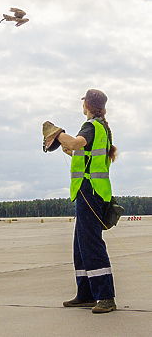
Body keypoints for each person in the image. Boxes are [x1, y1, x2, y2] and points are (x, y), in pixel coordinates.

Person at [45, 89, 118, 313]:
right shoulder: (102, 128)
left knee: (91, 243)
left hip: (90, 191)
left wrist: (57, 134)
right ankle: (86, 294)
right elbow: (82, 152)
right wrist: (67, 146)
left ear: (86, 104)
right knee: (81, 245)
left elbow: (76, 143)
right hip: (93, 191)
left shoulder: (91, 126)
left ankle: (106, 296)